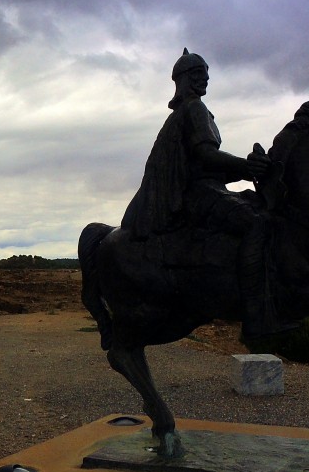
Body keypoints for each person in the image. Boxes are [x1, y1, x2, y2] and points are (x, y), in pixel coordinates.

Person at [121, 48, 283, 338]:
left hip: (205, 187)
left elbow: (207, 166)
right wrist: (247, 167)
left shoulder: (189, 113)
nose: (204, 80)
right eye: (198, 75)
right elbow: (206, 157)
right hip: (199, 195)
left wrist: (247, 170)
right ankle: (256, 316)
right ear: (182, 79)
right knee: (257, 222)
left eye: (206, 75)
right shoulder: (194, 110)